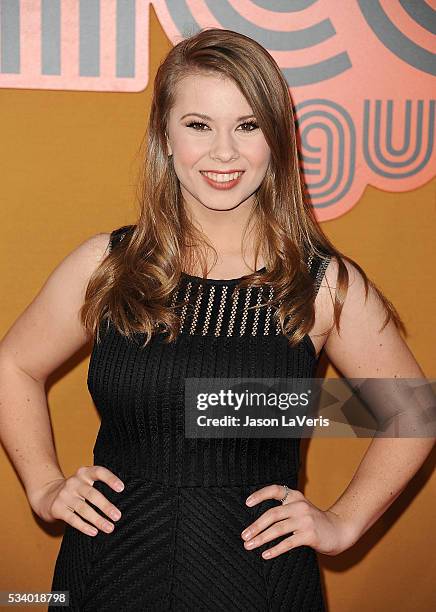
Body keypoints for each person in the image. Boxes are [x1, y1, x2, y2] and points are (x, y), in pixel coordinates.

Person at [0, 28, 433, 612]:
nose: (223, 152)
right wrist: (45, 486)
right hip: (108, 571)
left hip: (258, 582)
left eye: (248, 126)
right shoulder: (108, 266)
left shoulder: (319, 284)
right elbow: (13, 365)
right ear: (165, 137)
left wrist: (342, 522)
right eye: (199, 125)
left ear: (277, 139)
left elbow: (412, 412)